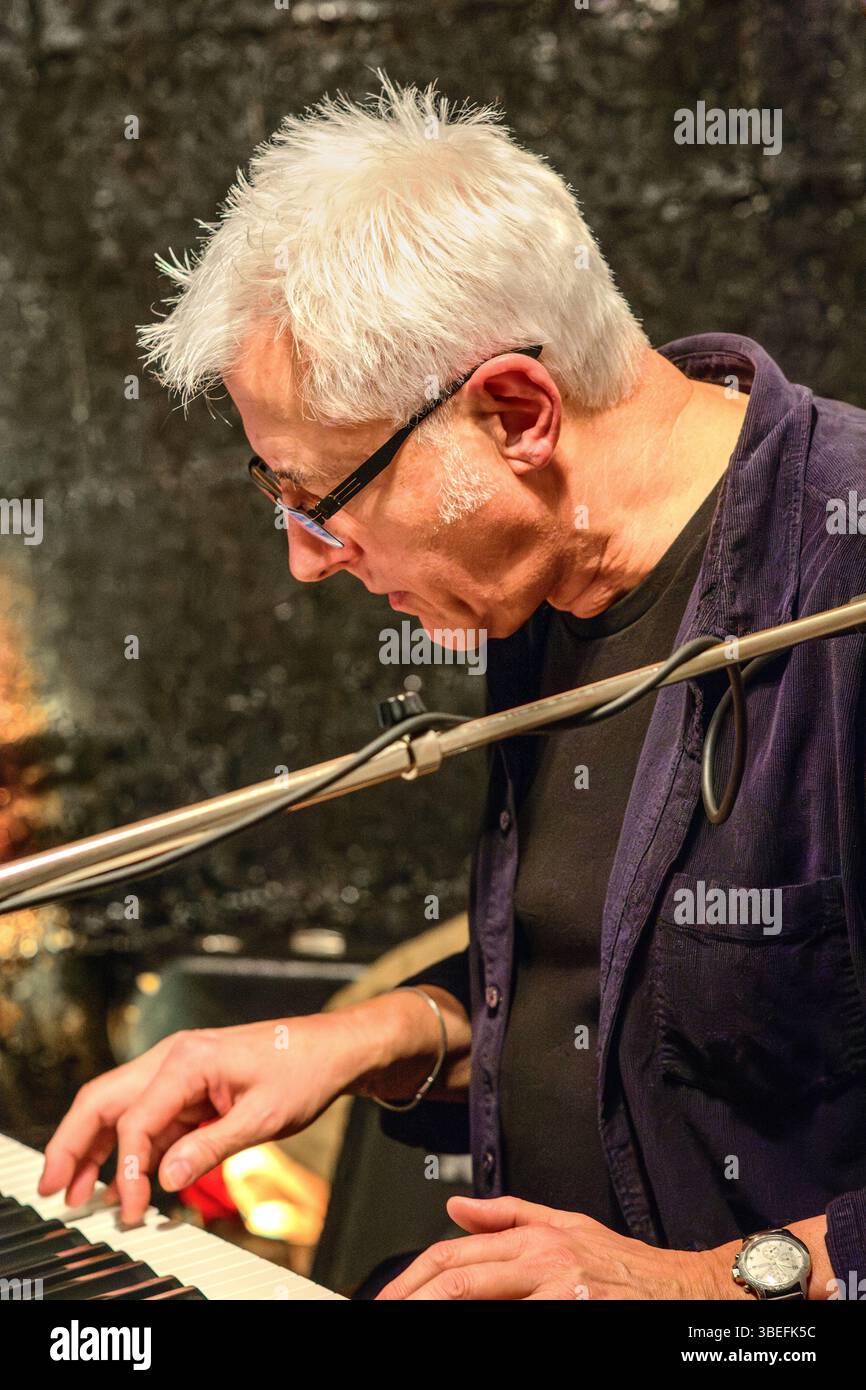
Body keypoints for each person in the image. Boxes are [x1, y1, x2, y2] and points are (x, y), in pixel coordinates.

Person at [40, 75, 866, 1300]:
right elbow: (624, 1001)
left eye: (322, 500)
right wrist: (364, 1037)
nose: (305, 560)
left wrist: (695, 1285)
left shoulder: (841, 574)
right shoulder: (541, 577)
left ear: (515, 412)